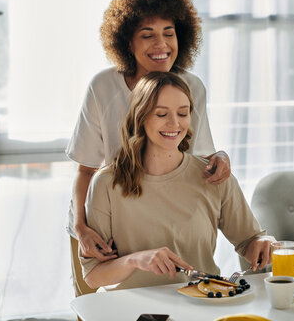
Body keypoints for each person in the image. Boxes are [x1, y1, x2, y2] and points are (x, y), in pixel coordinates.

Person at [66, 0, 231, 295]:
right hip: (101, 227)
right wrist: (81, 228)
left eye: (169, 33)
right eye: (148, 35)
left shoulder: (191, 86)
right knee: (97, 311)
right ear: (127, 42)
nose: (162, 45)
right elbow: (85, 170)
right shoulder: (103, 87)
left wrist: (220, 157)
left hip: (157, 223)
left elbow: (199, 155)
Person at [80, 72, 275, 290]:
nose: (174, 124)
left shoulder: (214, 175)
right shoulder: (107, 183)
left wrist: (264, 245)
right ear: (141, 117)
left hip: (201, 304)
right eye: (162, 114)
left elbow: (249, 241)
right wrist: (135, 260)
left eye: (183, 113)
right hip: (134, 310)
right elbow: (93, 276)